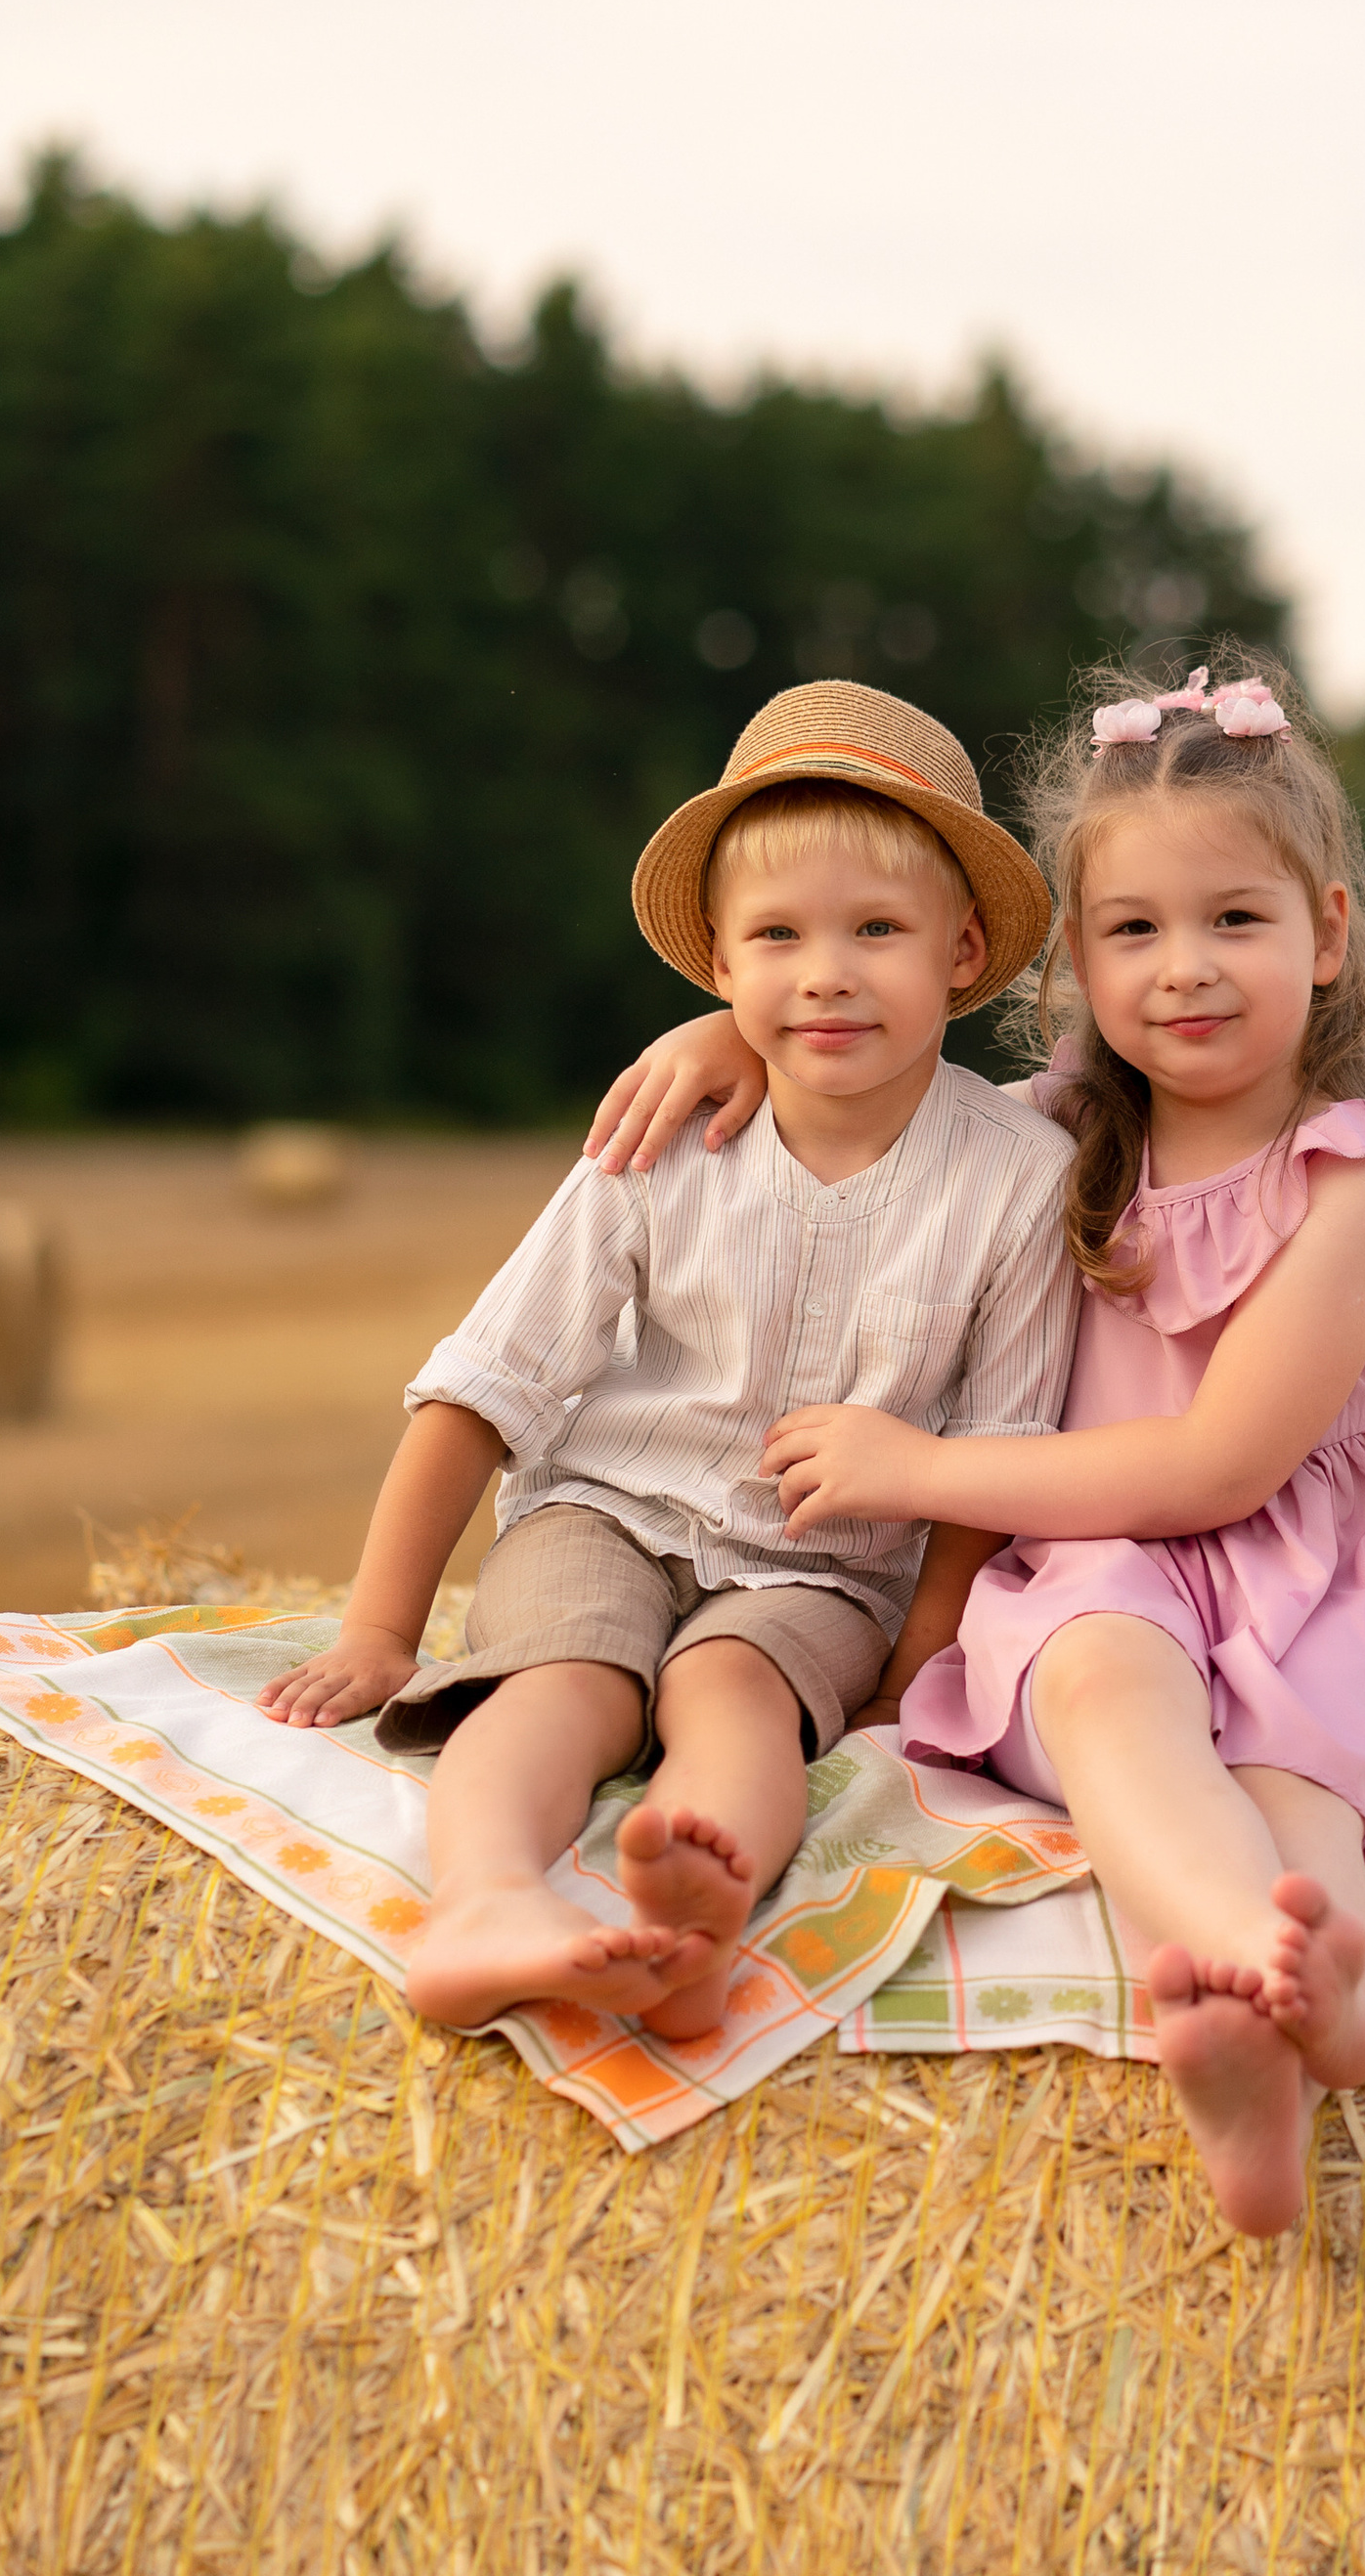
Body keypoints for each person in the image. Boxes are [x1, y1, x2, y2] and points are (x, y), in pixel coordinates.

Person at [587, 655, 1365, 2233]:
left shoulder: (1358, 1188)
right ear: (1072, 963)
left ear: (1332, 935)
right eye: (1134, 930)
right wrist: (729, 1046)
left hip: (1317, 1585)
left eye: (1237, 920)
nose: (1187, 969)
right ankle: (1234, 1988)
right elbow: (865, 1072)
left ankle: (1310, 2002)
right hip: (1107, 1571)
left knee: (1297, 1800)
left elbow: (1219, 1469)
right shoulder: (1061, 1125)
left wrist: (918, 1470)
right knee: (1101, 1687)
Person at [257, 680, 1078, 2040]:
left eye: (877, 929)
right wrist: (379, 1628)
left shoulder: (1019, 1180)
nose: (824, 972)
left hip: (824, 1566)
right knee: (561, 1683)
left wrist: (907, 1678)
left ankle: (701, 1908)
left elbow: (991, 1467)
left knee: (733, 1694)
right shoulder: (662, 1137)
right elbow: (486, 1386)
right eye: (779, 936)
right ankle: (483, 1904)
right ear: (718, 965)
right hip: (609, 1509)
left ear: (963, 949)